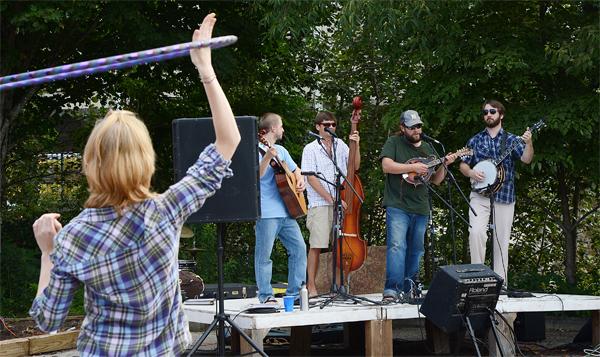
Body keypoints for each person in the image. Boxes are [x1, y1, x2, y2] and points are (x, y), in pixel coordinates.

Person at [29, 13, 241, 356]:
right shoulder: (167, 209)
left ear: (89, 164)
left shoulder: (74, 237)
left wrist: (48, 252)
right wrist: (205, 68)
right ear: (147, 161)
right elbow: (229, 140)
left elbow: (49, 321)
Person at [380, 110, 457, 302]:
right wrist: (412, 167)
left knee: (416, 249)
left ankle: (410, 289)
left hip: (421, 207)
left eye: (418, 126)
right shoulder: (394, 143)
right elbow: (387, 166)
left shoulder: (429, 149)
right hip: (397, 204)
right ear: (402, 128)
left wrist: (445, 165)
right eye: (412, 127)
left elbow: (436, 180)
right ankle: (392, 290)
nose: (416, 130)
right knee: (397, 246)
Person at [459, 99, 534, 285]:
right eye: (485, 112)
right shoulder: (475, 140)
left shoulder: (512, 140)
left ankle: (500, 286)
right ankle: (477, 279)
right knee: (476, 232)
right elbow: (463, 164)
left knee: (501, 241)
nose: (488, 115)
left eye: (492, 111)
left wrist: (529, 142)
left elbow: (526, 159)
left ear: (501, 114)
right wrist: (471, 172)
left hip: (505, 195)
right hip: (479, 194)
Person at [301, 111, 360, 297]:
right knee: (317, 245)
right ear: (318, 126)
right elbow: (310, 178)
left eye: (334, 125)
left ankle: (337, 285)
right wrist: (333, 199)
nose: (331, 128)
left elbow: (354, 166)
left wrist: (356, 145)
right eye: (327, 125)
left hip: (340, 202)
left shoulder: (340, 145)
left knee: (339, 245)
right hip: (320, 203)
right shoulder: (310, 149)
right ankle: (311, 286)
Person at [254, 112, 307, 304]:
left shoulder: (282, 150)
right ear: (273, 128)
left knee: (299, 249)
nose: (283, 129)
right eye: (281, 126)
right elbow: (255, 177)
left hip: (287, 211)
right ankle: (266, 295)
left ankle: (294, 293)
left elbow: (296, 170)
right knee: (264, 255)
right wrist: (267, 157)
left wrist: (300, 180)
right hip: (266, 212)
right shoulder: (254, 149)